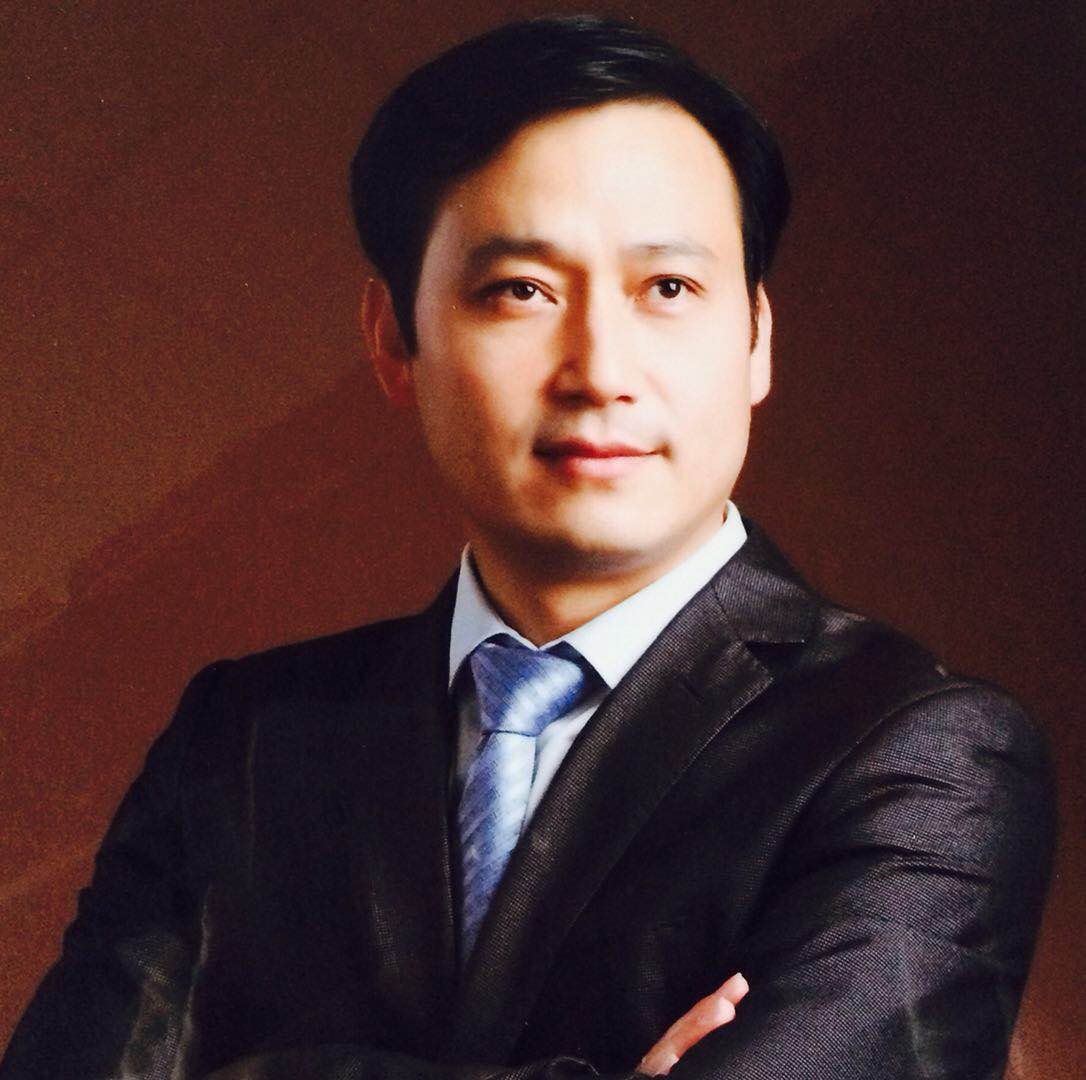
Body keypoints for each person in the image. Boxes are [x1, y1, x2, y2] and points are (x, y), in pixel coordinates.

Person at [1, 14, 1055, 1079]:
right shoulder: (241, 740)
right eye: (521, 291)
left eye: (669, 289)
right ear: (394, 339)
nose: (600, 371)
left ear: (756, 338)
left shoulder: (920, 751)